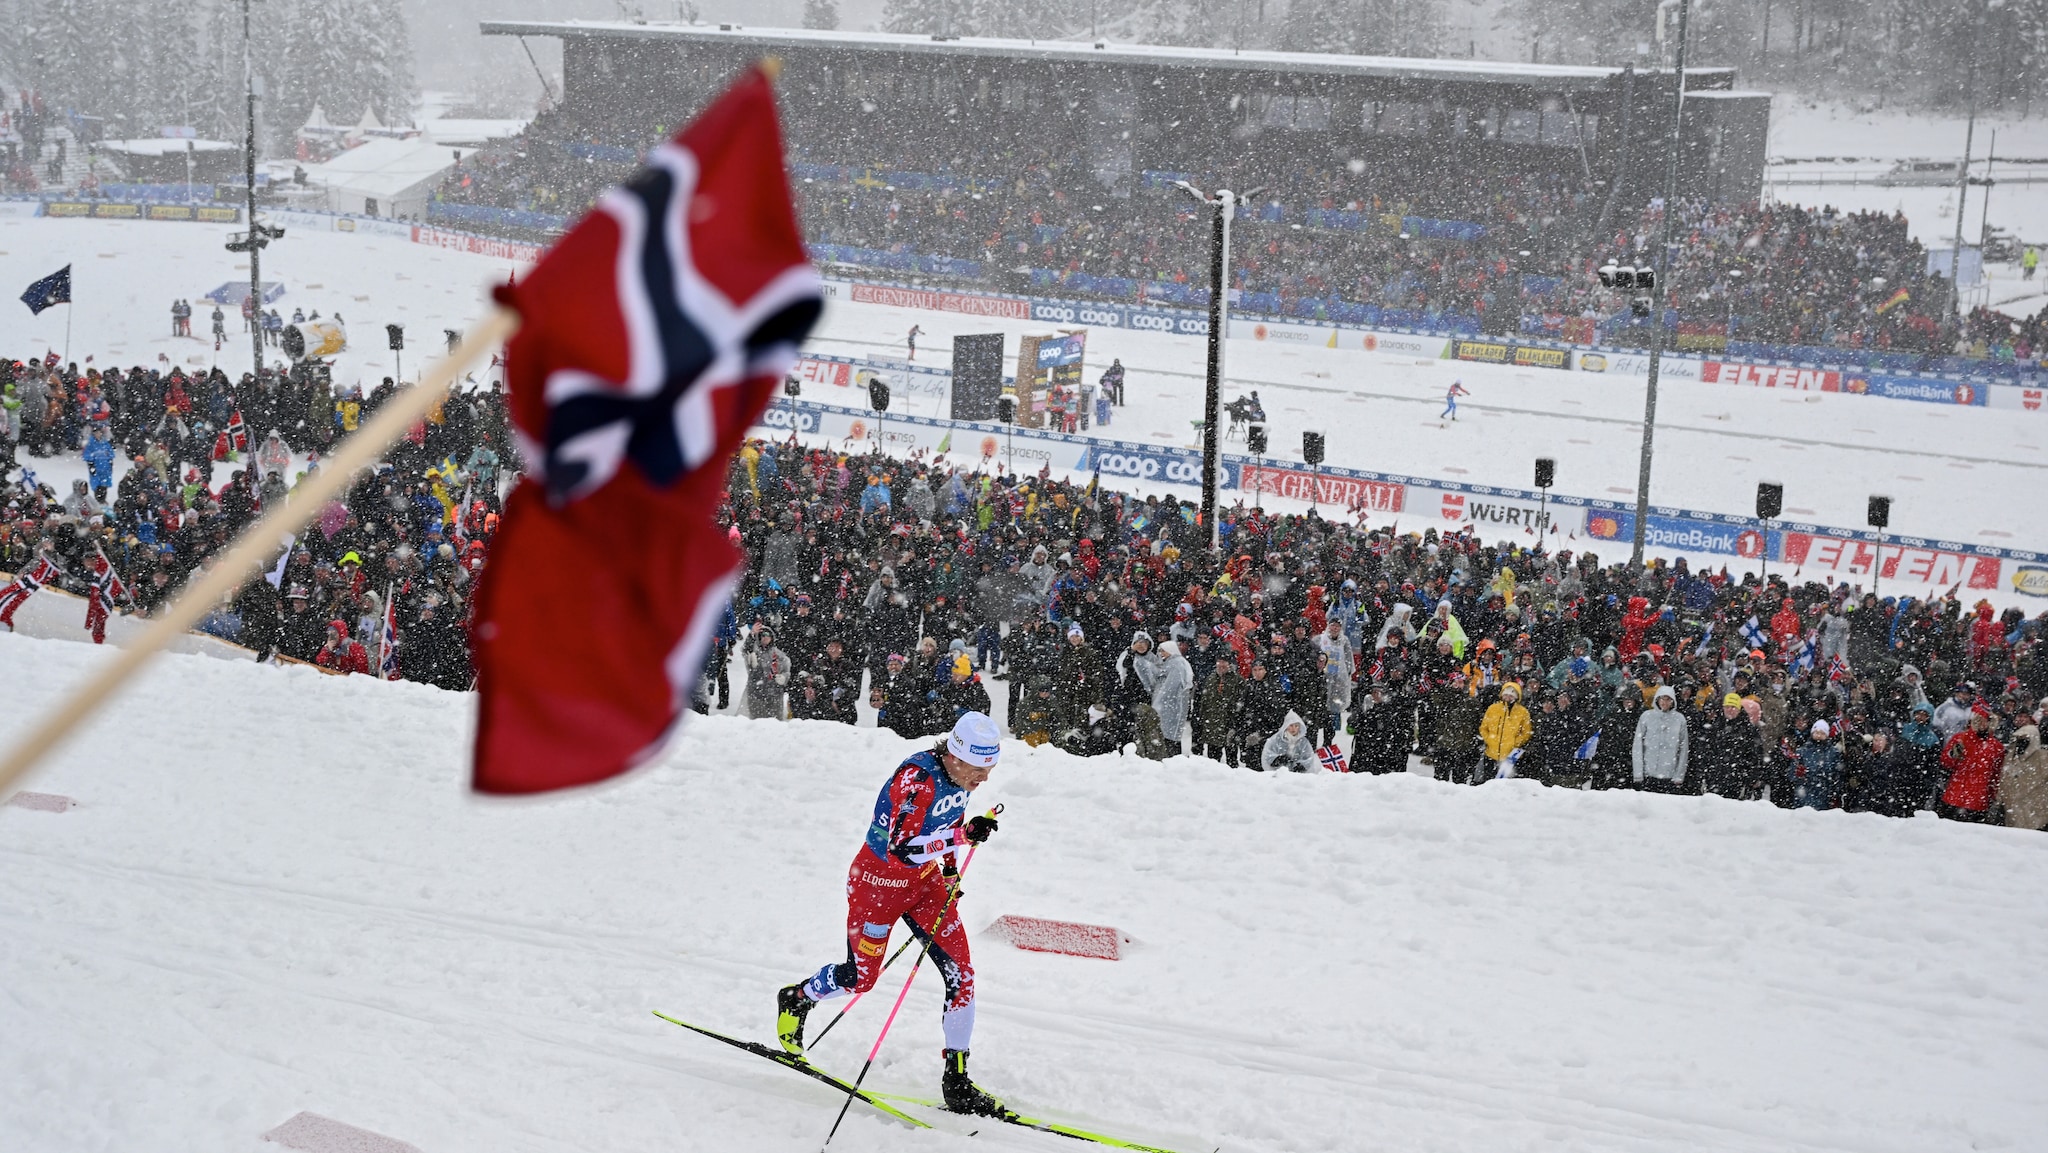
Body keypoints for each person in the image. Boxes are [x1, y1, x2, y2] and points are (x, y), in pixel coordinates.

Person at [777, 713, 1010, 1117]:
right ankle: (798, 998)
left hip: (924, 884)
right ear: (954, 756)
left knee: (962, 974)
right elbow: (901, 850)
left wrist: (952, 871)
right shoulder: (917, 780)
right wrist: (960, 836)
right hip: (877, 884)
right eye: (978, 769)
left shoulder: (961, 779)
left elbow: (950, 826)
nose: (983, 778)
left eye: (989, 769)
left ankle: (957, 1082)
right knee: (861, 979)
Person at [1937, 702, 2006, 822]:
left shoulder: (1997, 747)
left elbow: (1996, 774)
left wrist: (1994, 797)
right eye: (1979, 720)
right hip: (1956, 795)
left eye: (1986, 721)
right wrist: (1953, 754)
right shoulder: (1961, 739)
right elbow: (1946, 763)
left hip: (1979, 801)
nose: (1982, 724)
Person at [1631, 684, 1692, 793]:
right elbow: (1637, 746)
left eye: (1668, 699)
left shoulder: (1679, 719)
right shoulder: (1646, 716)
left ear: (1673, 701)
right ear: (1657, 699)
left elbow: (1683, 750)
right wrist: (1638, 773)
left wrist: (1679, 775)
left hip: (1669, 775)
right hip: (1648, 773)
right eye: (1662, 698)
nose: (1665, 702)